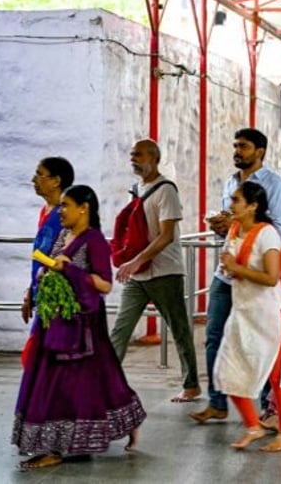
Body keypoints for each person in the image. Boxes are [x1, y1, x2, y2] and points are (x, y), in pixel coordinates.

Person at [13, 185, 146, 469]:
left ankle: (57, 446)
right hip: (57, 321)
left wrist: (70, 270)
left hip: (81, 326)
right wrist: (38, 282)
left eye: (66, 205)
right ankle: (122, 422)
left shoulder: (94, 240)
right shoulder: (63, 235)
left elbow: (105, 284)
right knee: (101, 376)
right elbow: (50, 267)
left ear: (84, 208)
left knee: (64, 383)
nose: (61, 211)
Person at [190, 128, 281, 424]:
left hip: (257, 277)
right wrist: (223, 226)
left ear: (259, 151)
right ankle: (217, 402)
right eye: (235, 145)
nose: (237, 151)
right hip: (226, 276)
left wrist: (249, 228)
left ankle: (264, 408)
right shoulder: (231, 182)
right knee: (214, 337)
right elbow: (232, 224)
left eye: (243, 146)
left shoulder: (275, 185)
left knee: (259, 342)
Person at [110, 139, 201, 403]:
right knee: (121, 329)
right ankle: (108, 385)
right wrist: (131, 259)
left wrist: (135, 261)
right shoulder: (137, 189)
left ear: (154, 158)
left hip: (165, 272)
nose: (133, 159)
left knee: (179, 328)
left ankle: (191, 385)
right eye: (131, 155)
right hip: (138, 274)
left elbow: (166, 236)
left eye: (138, 155)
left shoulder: (166, 191)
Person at [212, 182, 281, 452]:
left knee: (277, 377)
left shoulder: (268, 235)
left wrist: (235, 267)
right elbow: (231, 268)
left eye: (236, 200)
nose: (231, 205)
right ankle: (254, 426)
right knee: (227, 372)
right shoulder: (235, 230)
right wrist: (229, 269)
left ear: (253, 205)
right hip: (244, 312)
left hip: (270, 315)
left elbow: (271, 278)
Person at [21, 157, 75, 328]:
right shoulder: (46, 212)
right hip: (43, 291)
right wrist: (31, 289)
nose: (33, 180)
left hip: (59, 294)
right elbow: (42, 254)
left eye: (39, 174)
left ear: (56, 181)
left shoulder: (68, 214)